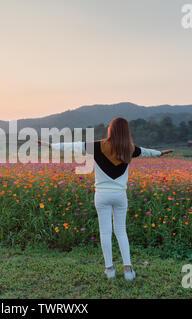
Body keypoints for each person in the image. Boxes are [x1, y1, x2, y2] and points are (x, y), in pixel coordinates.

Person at [39, 117, 173, 280]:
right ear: (126, 131)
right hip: (120, 196)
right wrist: (160, 153)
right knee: (121, 232)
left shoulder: (97, 146)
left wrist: (50, 145)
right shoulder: (129, 149)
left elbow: (72, 146)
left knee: (105, 233)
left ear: (111, 129)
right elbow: (146, 151)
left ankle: (110, 270)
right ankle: (128, 271)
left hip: (102, 195)